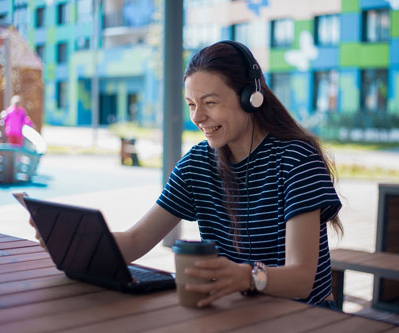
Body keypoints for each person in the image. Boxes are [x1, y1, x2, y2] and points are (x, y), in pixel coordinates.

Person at [30, 41, 343, 309]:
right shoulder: (197, 164)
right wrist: (76, 242)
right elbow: (138, 239)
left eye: (210, 103)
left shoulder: (296, 159)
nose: (197, 117)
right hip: (238, 311)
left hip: (305, 316)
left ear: (251, 97)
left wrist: (246, 276)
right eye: (192, 104)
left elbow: (302, 279)